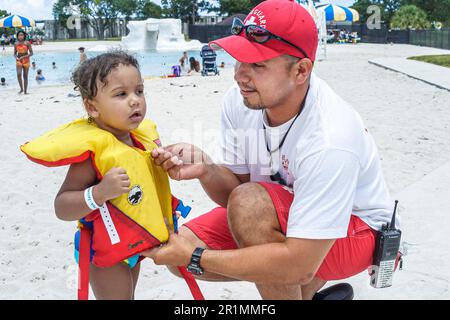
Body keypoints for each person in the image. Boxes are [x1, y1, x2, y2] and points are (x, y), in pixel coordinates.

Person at [143, 0, 399, 300]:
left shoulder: (331, 136)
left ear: (301, 70)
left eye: (258, 65)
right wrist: (207, 169)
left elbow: (299, 263)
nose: (239, 74)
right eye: (239, 58)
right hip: (286, 211)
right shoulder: (240, 100)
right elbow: (234, 194)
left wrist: (198, 257)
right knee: (184, 246)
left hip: (357, 230)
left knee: (248, 217)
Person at [21, 51, 172, 300]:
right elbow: (62, 207)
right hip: (104, 251)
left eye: (140, 91)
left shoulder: (140, 140)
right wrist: (99, 192)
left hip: (135, 241)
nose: (135, 101)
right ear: (92, 107)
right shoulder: (93, 154)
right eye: (121, 94)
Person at [14, 30, 33, 94]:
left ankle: (25, 91)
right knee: (18, 74)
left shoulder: (27, 43)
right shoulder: (16, 43)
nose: (20, 36)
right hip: (19, 60)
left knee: (25, 76)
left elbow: (31, 53)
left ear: (24, 36)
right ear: (17, 36)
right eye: (19, 35)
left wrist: (24, 57)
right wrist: (16, 57)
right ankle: (21, 89)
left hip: (26, 60)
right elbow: (14, 53)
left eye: (22, 35)